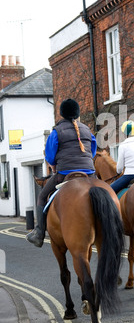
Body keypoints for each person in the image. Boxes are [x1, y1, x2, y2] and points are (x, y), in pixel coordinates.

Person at [26, 98, 97, 248]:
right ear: (77, 113)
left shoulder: (57, 132)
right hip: (90, 174)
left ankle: (39, 233)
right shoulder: (87, 130)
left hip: (64, 173)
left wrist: (53, 166)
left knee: (42, 196)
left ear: (62, 114)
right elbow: (93, 151)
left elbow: (50, 156)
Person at [111, 120, 134, 194]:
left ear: (126, 133)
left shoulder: (123, 145)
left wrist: (118, 172)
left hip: (130, 175)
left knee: (110, 190)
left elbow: (119, 168)